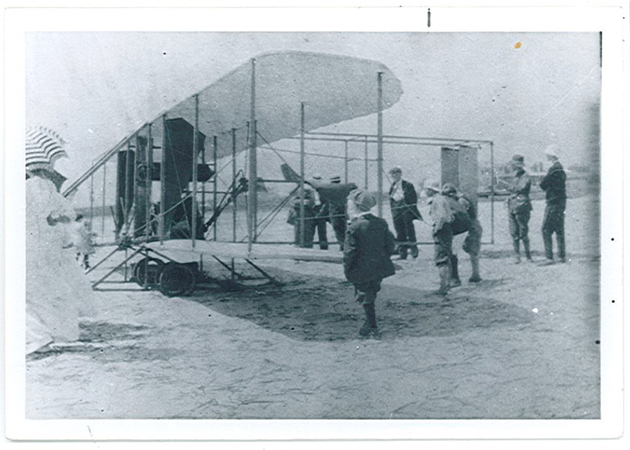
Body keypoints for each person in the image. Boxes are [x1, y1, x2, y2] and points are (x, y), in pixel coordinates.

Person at [25, 157, 97, 354]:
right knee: (50, 294)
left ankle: (38, 336)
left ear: (30, 171)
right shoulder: (52, 193)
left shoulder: (24, 190)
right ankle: (63, 333)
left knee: (26, 297)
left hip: (27, 248)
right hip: (47, 250)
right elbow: (69, 218)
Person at [344, 189, 396, 337]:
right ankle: (370, 324)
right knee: (371, 293)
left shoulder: (354, 227)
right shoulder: (381, 222)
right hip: (378, 266)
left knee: (365, 296)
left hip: (361, 268)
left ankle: (372, 326)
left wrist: (347, 269)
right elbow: (391, 245)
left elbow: (349, 253)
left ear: (356, 206)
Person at [442, 183, 482, 284]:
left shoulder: (461, 201)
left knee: (463, 251)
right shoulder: (461, 198)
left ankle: (472, 276)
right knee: (471, 253)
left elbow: (462, 215)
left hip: (469, 227)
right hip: (470, 226)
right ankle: (474, 275)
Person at [424, 179, 454, 295]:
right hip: (446, 229)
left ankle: (443, 287)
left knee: (441, 258)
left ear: (431, 190)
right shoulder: (442, 199)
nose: (425, 192)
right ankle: (447, 284)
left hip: (442, 230)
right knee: (445, 257)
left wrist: (436, 229)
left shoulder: (437, 200)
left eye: (427, 189)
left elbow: (441, 217)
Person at [539, 144, 567, 264]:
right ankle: (561, 256)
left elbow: (543, 184)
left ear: (551, 156)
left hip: (553, 202)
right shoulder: (560, 168)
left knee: (546, 229)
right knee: (559, 229)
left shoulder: (553, 169)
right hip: (561, 202)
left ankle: (549, 257)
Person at [388, 167, 422, 260]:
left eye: (395, 174)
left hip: (406, 212)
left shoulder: (408, 185)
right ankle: (403, 253)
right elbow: (391, 200)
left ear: (400, 174)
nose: (393, 176)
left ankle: (414, 249)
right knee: (399, 232)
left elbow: (413, 199)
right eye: (392, 175)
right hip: (396, 212)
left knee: (409, 231)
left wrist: (405, 201)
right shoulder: (392, 186)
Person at [507, 154, 533, 263]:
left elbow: (519, 189)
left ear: (518, 166)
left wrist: (506, 186)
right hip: (512, 206)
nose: (512, 167)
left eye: (513, 165)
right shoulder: (515, 177)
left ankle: (528, 256)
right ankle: (517, 256)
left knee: (523, 232)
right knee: (514, 232)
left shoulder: (525, 177)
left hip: (522, 207)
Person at [328, 175, 348, 251]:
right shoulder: (343, 190)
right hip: (343, 214)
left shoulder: (331, 191)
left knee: (338, 232)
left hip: (335, 214)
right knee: (343, 231)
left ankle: (343, 247)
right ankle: (344, 247)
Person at [311, 174, 329, 250]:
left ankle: (324, 247)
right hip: (312, 212)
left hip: (321, 212)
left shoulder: (323, 190)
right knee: (310, 231)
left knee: (322, 232)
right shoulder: (310, 191)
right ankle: (308, 247)